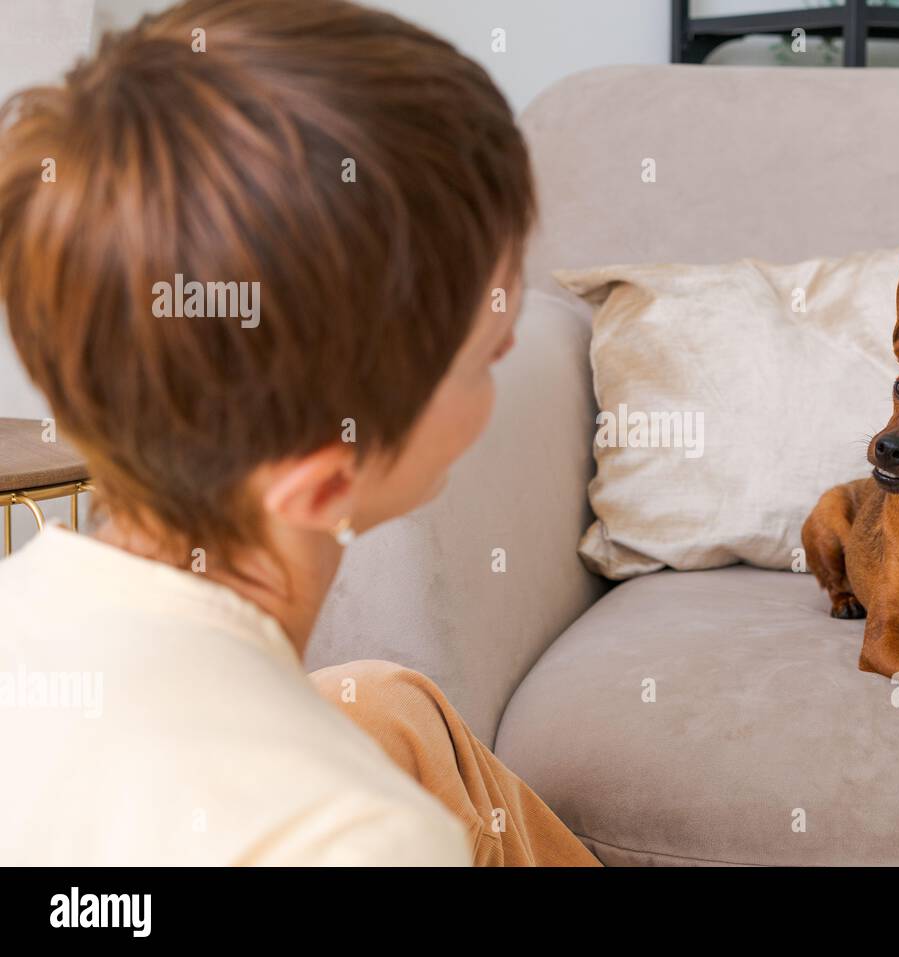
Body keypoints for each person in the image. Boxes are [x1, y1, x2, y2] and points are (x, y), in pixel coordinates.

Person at [0, 0, 598, 866]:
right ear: (324, 484)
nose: (511, 344)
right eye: (485, 353)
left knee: (391, 703)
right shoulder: (360, 836)